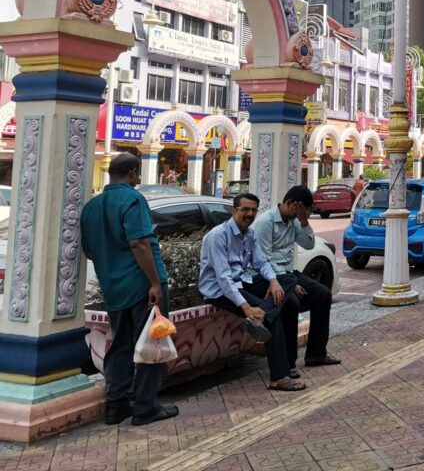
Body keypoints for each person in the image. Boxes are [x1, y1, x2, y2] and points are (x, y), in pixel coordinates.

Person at [81, 153, 179, 426]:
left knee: (120, 346)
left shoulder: (91, 207)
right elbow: (140, 244)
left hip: (113, 288)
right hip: (142, 285)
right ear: (133, 172)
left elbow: (89, 251)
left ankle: (116, 405)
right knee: (152, 342)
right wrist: (156, 283)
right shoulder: (133, 199)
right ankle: (146, 407)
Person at [199, 193, 304, 391]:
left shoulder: (250, 234)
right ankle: (279, 377)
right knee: (275, 315)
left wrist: (273, 281)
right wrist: (247, 308)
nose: (250, 214)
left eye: (254, 210)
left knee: (288, 280)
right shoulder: (217, 236)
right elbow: (224, 279)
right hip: (219, 291)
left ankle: (262, 318)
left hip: (241, 283)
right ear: (234, 211)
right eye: (245, 209)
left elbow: (261, 262)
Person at [251, 186, 341, 377]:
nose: (304, 213)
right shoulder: (265, 223)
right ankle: (288, 362)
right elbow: (264, 260)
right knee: (290, 303)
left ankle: (316, 353)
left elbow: (308, 244)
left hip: (289, 273)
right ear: (292, 203)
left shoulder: (294, 221)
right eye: (303, 209)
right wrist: (290, 284)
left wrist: (303, 220)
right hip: (269, 276)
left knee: (323, 295)